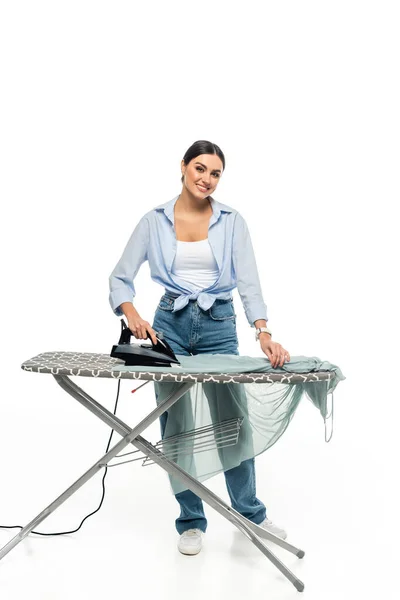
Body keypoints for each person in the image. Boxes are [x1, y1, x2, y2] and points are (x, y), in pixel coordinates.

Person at [109, 140, 291, 555]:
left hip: (220, 326)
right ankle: (191, 521)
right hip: (167, 327)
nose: (207, 179)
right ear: (183, 167)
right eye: (200, 169)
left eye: (215, 173)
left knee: (234, 424)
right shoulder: (153, 220)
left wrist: (262, 331)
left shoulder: (232, 221)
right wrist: (131, 314)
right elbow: (120, 277)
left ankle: (251, 516)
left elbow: (249, 282)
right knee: (176, 428)